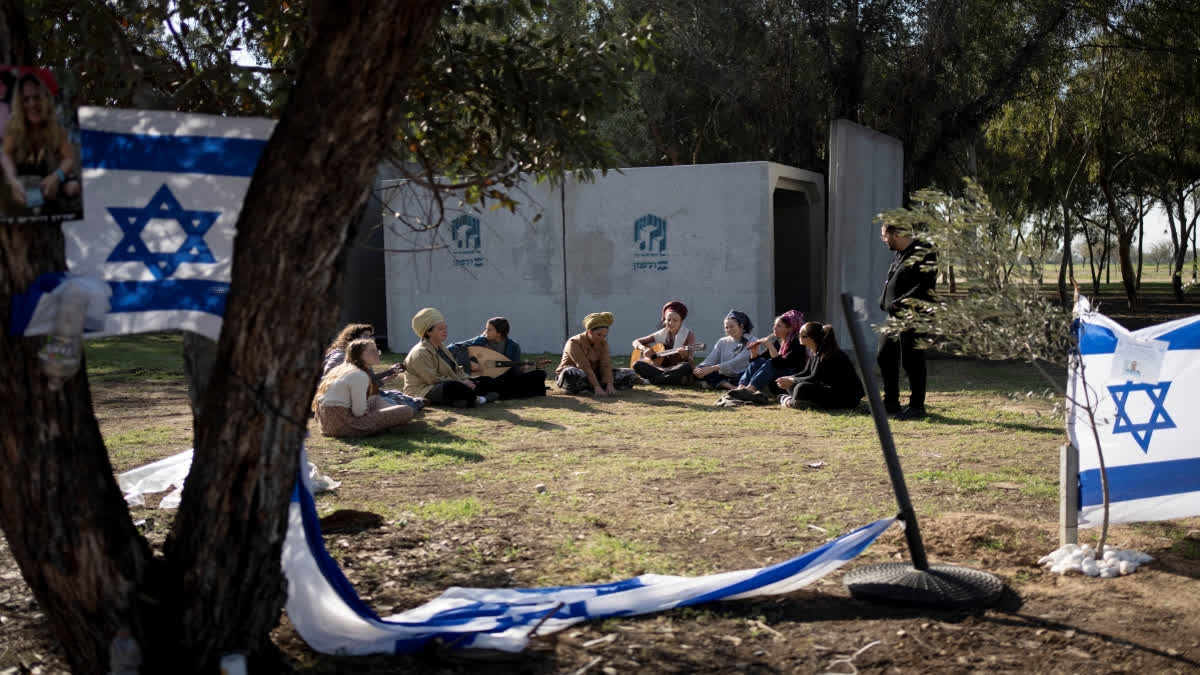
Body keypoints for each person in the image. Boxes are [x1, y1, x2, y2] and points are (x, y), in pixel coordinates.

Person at [878, 222, 937, 420]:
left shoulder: (924, 251)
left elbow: (925, 285)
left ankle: (917, 406)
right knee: (884, 355)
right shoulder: (900, 254)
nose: (884, 240)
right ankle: (891, 402)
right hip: (894, 316)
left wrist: (899, 303)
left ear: (895, 234)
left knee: (912, 360)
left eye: (885, 236)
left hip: (914, 315)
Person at [1, 73, 79, 212]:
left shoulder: (56, 125)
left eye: (36, 97)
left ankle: (51, 201)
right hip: (25, 178)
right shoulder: (12, 126)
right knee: (18, 197)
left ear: (44, 98)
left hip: (52, 174)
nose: (32, 104)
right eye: (26, 99)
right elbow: (5, 155)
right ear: (19, 102)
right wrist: (13, 180)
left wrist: (56, 177)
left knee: (73, 188)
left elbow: (69, 158)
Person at [312, 338, 414, 437]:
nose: (377, 353)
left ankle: (393, 422)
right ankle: (396, 424)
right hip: (345, 424)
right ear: (359, 355)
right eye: (372, 351)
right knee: (406, 410)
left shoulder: (341, 369)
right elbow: (359, 412)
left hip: (325, 424)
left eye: (377, 350)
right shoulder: (359, 374)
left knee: (374, 399)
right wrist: (371, 413)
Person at [403, 308, 501, 407]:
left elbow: (457, 370)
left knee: (486, 381)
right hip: (426, 389)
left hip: (451, 382)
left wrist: (467, 380)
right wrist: (462, 383)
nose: (445, 331)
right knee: (452, 387)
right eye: (440, 329)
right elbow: (433, 379)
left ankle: (466, 399)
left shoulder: (442, 347)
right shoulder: (420, 353)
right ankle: (479, 399)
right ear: (428, 332)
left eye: (445, 328)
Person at [323, 323, 424, 410]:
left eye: (371, 336)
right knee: (395, 402)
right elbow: (328, 376)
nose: (371, 339)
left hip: (361, 395)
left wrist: (389, 372)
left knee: (394, 394)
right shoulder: (340, 355)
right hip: (345, 400)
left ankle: (413, 403)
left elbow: (368, 379)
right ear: (353, 338)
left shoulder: (362, 354)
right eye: (366, 336)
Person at [448, 316, 548, 398]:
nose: (486, 332)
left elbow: (514, 372)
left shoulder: (513, 346)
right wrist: (468, 363)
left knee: (540, 374)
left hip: (503, 378)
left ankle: (497, 393)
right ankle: (507, 393)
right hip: (484, 378)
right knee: (484, 382)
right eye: (486, 329)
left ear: (499, 333)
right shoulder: (481, 340)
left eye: (489, 329)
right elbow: (452, 348)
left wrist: (523, 368)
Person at [776, 322, 865, 410]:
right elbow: (806, 372)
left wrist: (792, 380)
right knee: (792, 385)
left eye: (803, 336)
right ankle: (802, 402)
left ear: (813, 338)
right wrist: (788, 378)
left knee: (800, 387)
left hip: (846, 396)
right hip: (831, 391)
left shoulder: (829, 354)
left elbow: (814, 377)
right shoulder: (815, 352)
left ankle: (789, 401)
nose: (799, 338)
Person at [724, 309, 805, 404]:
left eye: (778, 326)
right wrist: (754, 352)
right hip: (775, 378)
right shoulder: (778, 342)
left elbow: (779, 364)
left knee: (770, 363)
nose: (774, 328)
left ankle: (750, 390)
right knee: (760, 361)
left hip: (787, 381)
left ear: (790, 328)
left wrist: (770, 346)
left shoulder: (797, 343)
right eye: (774, 325)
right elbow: (758, 362)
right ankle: (740, 388)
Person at [556, 312, 638, 396]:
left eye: (604, 336)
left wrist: (609, 383)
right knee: (571, 372)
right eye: (598, 335)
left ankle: (590, 388)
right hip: (579, 373)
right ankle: (588, 388)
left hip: (594, 375)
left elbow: (605, 364)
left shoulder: (603, 343)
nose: (601, 338)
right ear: (589, 332)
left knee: (629, 373)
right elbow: (584, 366)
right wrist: (596, 386)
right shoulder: (574, 342)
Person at [630, 300, 698, 385]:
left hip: (675, 369)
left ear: (681, 321)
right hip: (660, 368)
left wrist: (684, 355)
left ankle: (649, 381)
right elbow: (636, 342)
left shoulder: (689, 335)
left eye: (675, 320)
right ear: (664, 320)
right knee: (637, 364)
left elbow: (690, 361)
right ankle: (670, 379)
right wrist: (644, 349)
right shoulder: (661, 333)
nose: (671, 323)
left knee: (685, 366)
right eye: (668, 319)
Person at [692, 309, 755, 390]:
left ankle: (721, 384)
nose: (728, 330)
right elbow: (710, 359)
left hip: (741, 375)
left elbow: (737, 361)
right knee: (704, 371)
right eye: (726, 327)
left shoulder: (752, 340)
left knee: (751, 374)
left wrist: (712, 368)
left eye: (731, 327)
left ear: (741, 326)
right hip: (724, 374)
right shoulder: (723, 341)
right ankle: (730, 386)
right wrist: (700, 368)